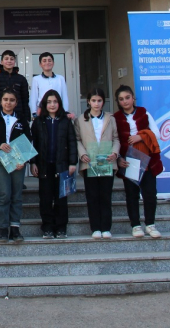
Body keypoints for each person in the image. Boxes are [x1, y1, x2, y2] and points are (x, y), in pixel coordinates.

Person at [114, 85, 164, 239]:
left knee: (150, 193)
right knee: (131, 194)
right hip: (129, 161)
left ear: (133, 98)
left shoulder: (144, 113)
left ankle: (150, 224)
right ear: (118, 102)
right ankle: (135, 225)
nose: (125, 101)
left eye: (127, 97)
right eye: (121, 99)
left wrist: (141, 136)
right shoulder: (116, 118)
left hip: (147, 159)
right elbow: (114, 139)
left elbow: (157, 133)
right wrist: (118, 158)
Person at [0, 88, 31, 242]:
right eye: (5, 99)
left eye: (11, 100)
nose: (8, 103)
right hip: (0, 161)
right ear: (1, 101)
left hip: (18, 162)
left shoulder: (22, 120)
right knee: (4, 194)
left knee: (16, 194)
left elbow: (29, 140)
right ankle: (3, 228)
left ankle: (15, 228)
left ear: (16, 103)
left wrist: (23, 160)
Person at [30, 90, 77, 239]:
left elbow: (72, 142)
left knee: (61, 198)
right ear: (44, 104)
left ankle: (61, 227)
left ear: (59, 104)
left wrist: (72, 162)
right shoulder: (38, 122)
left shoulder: (65, 121)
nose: (52, 105)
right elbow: (33, 144)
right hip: (44, 165)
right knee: (45, 198)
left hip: (62, 166)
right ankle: (48, 228)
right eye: (49, 102)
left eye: (55, 102)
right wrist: (33, 162)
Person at [74, 87, 119, 239]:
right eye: (93, 100)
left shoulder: (110, 118)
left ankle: (106, 227)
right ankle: (95, 228)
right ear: (88, 102)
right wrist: (82, 154)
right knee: (92, 196)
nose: (96, 103)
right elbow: (77, 139)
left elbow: (116, 138)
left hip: (107, 161)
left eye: (99, 100)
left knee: (105, 195)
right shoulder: (80, 119)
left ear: (103, 102)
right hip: (90, 161)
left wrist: (115, 152)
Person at [0, 50, 31, 123]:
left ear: (15, 61)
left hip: (18, 116)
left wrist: (27, 118)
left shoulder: (21, 79)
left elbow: (25, 101)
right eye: (6, 59)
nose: (9, 61)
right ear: (1, 62)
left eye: (11, 59)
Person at [30, 52, 72, 118]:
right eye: (44, 61)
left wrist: (66, 111)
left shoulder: (60, 78)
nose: (47, 63)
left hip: (58, 109)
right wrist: (34, 112)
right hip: (42, 110)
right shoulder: (36, 79)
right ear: (40, 64)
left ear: (53, 63)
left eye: (49, 60)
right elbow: (33, 97)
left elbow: (64, 96)